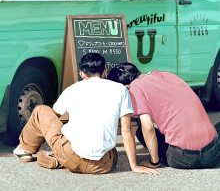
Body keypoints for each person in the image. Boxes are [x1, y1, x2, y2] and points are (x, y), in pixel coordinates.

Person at [13, 53, 158, 175]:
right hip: (103, 166)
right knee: (113, 152)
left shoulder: (73, 89)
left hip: (70, 154)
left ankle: (25, 150)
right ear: (105, 71)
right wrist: (134, 166)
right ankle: (61, 160)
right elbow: (126, 132)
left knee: (41, 111)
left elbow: (52, 115)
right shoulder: (121, 90)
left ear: (82, 73)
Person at [107, 62, 220, 169]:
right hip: (213, 153)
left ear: (125, 87)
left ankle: (157, 160)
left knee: (141, 131)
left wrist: (154, 162)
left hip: (183, 158)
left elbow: (148, 126)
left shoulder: (135, 86)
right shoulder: (168, 75)